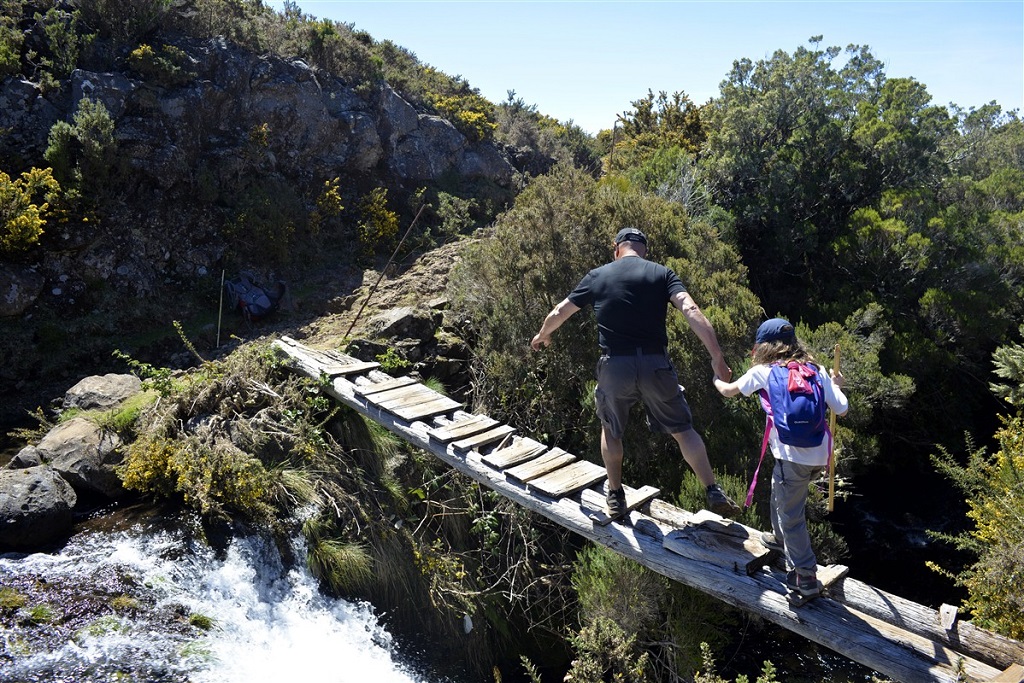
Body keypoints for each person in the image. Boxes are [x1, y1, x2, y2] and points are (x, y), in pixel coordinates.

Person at [530, 226, 741, 519]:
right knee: (682, 429)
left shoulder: (598, 276)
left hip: (615, 365)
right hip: (656, 363)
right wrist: (717, 357)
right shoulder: (662, 274)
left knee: (611, 429)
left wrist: (543, 336)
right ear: (644, 250)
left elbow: (559, 312)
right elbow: (690, 309)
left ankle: (615, 495)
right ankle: (712, 490)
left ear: (617, 248)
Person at [713, 318, 848, 600]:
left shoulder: (763, 370)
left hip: (792, 457)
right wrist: (836, 385)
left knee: (792, 516)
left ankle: (806, 576)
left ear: (764, 345)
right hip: (818, 454)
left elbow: (728, 391)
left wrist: (716, 378)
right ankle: (777, 541)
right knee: (781, 490)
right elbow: (842, 408)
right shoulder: (816, 370)